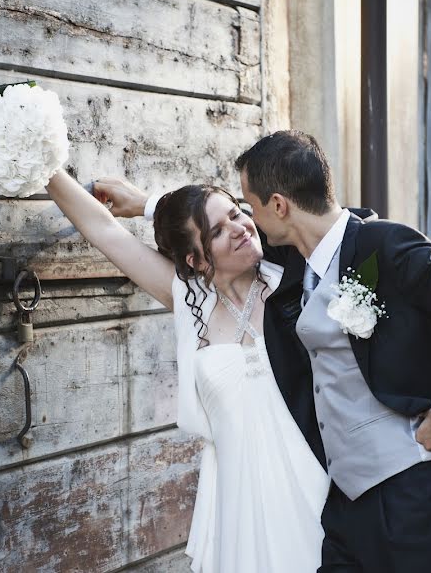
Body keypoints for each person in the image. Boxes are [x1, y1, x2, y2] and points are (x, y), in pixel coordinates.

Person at [99, 130, 431, 572]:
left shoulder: (384, 246)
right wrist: (146, 204)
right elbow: (206, 233)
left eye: (248, 205)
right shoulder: (292, 266)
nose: (246, 220)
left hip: (413, 491)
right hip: (344, 505)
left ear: (279, 206)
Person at [45, 170, 329, 573]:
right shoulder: (188, 300)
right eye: (218, 230)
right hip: (239, 496)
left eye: (237, 213)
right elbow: (104, 231)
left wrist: (147, 203)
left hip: (316, 478)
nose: (240, 229)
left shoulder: (295, 278)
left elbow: (338, 226)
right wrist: (41, 162)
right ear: (194, 259)